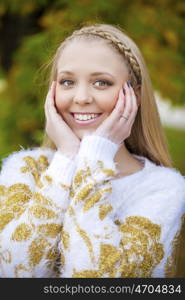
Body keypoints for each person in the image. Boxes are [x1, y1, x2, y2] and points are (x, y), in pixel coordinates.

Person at [0, 23, 185, 278]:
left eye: (101, 82)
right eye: (67, 82)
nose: (82, 97)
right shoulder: (25, 169)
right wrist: (66, 159)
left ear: (135, 95)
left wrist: (95, 157)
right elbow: (15, 275)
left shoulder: (164, 188)